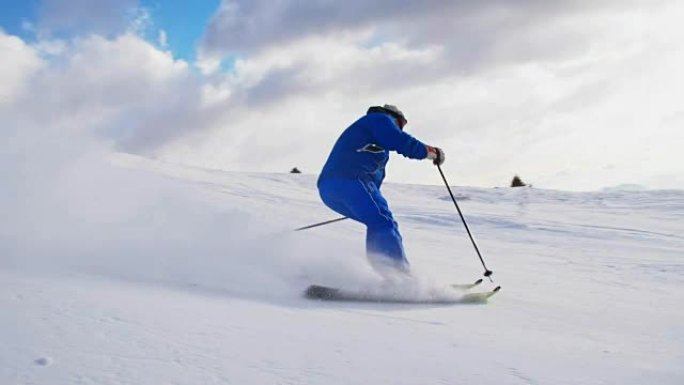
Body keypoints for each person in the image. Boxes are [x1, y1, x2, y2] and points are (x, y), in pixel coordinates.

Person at [317, 104, 445, 275]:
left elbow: (372, 183)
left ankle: (386, 272)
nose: (400, 128)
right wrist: (430, 152)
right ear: (395, 118)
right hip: (350, 180)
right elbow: (399, 140)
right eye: (402, 124)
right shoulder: (380, 119)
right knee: (384, 222)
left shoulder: (370, 135)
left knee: (377, 221)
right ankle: (399, 278)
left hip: (329, 188)